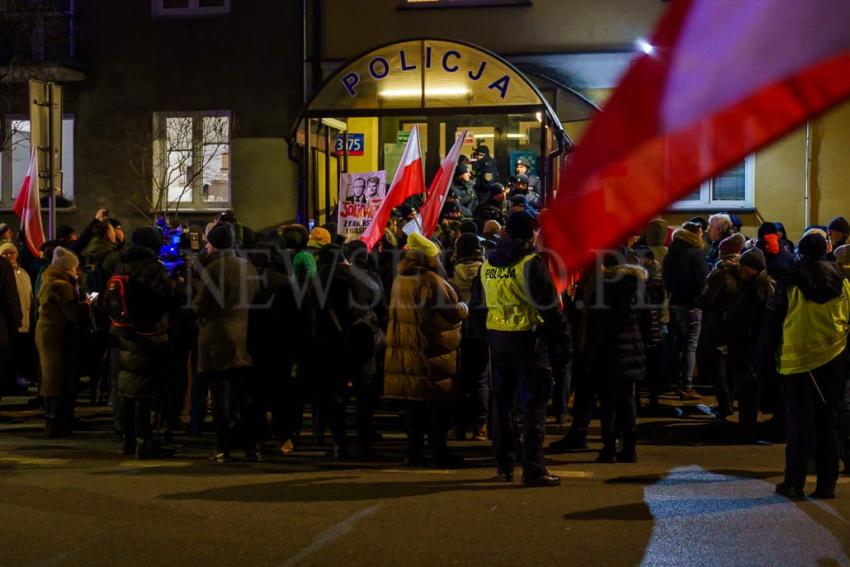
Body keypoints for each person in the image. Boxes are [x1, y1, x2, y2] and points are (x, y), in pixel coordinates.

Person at [472, 211, 567, 486]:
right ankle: (534, 469)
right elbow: (549, 306)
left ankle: (504, 466)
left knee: (502, 406)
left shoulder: (488, 263)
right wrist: (561, 339)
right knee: (533, 406)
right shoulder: (531, 262)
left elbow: (479, 305)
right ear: (530, 234)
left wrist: (485, 334)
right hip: (528, 341)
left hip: (498, 340)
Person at [760, 232, 850, 499]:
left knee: (800, 428)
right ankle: (826, 485)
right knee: (828, 425)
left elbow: (772, 326)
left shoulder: (790, 284)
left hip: (799, 367)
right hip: (834, 361)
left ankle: (794, 483)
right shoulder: (844, 286)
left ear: (801, 253)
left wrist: (764, 363)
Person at [384, 232, 468, 467]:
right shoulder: (432, 280)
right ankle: (439, 451)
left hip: (406, 349)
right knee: (438, 405)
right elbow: (452, 311)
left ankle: (414, 451)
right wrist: (463, 306)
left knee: (415, 405)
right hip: (430, 350)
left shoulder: (401, 278)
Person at [193, 223, 261, 462]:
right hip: (244, 338)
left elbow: (200, 305)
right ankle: (252, 445)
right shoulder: (248, 266)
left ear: (213, 244)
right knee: (245, 397)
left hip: (217, 340)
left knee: (220, 397)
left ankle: (222, 447)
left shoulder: (213, 270)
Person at [109, 227, 178, 458]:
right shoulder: (153, 268)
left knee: (128, 387)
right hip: (149, 333)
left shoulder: (121, 264)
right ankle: (144, 441)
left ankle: (128, 440)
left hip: (124, 332)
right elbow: (167, 299)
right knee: (144, 391)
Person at [587, 253, 648, 462]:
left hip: (609, 348)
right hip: (633, 345)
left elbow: (596, 325)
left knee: (608, 402)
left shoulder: (604, 288)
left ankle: (609, 447)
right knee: (628, 399)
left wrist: (590, 355)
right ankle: (630, 447)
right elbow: (645, 316)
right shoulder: (637, 285)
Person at [727, 247, 775, 442]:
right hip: (754, 345)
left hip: (750, 346)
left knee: (748, 389)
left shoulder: (758, 287)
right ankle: (748, 426)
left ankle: (747, 429)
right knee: (750, 388)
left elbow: (750, 320)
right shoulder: (763, 284)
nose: (740, 269)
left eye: (743, 266)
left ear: (751, 267)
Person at [697, 233, 744, 420]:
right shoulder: (743, 271)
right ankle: (732, 399)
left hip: (716, 324)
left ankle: (724, 405)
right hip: (736, 323)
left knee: (718, 366)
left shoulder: (719, 273)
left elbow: (706, 299)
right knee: (732, 364)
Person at [36, 247, 80, 437]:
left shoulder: (50, 280)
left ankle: (52, 417)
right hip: (58, 336)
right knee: (57, 379)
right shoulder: (62, 286)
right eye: (74, 268)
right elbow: (73, 315)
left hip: (48, 334)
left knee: (50, 377)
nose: (76, 271)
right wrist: (86, 306)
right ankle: (56, 420)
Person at [449, 233, 489, 441]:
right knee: (480, 380)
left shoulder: (450, 275)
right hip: (480, 332)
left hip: (456, 332)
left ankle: (459, 425)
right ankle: (480, 424)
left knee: (459, 379)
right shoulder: (486, 272)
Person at [662, 222, 707, 400]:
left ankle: (676, 381)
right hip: (691, 305)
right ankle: (687, 385)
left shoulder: (670, 254)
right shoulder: (695, 253)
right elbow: (703, 281)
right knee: (690, 345)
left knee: (679, 344)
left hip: (674, 304)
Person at [0, 242, 33, 396]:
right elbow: (10, 298)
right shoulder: (5, 270)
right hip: (8, 322)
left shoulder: (23, 273)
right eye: (5, 253)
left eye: (11, 253)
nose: (9, 256)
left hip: (21, 321)